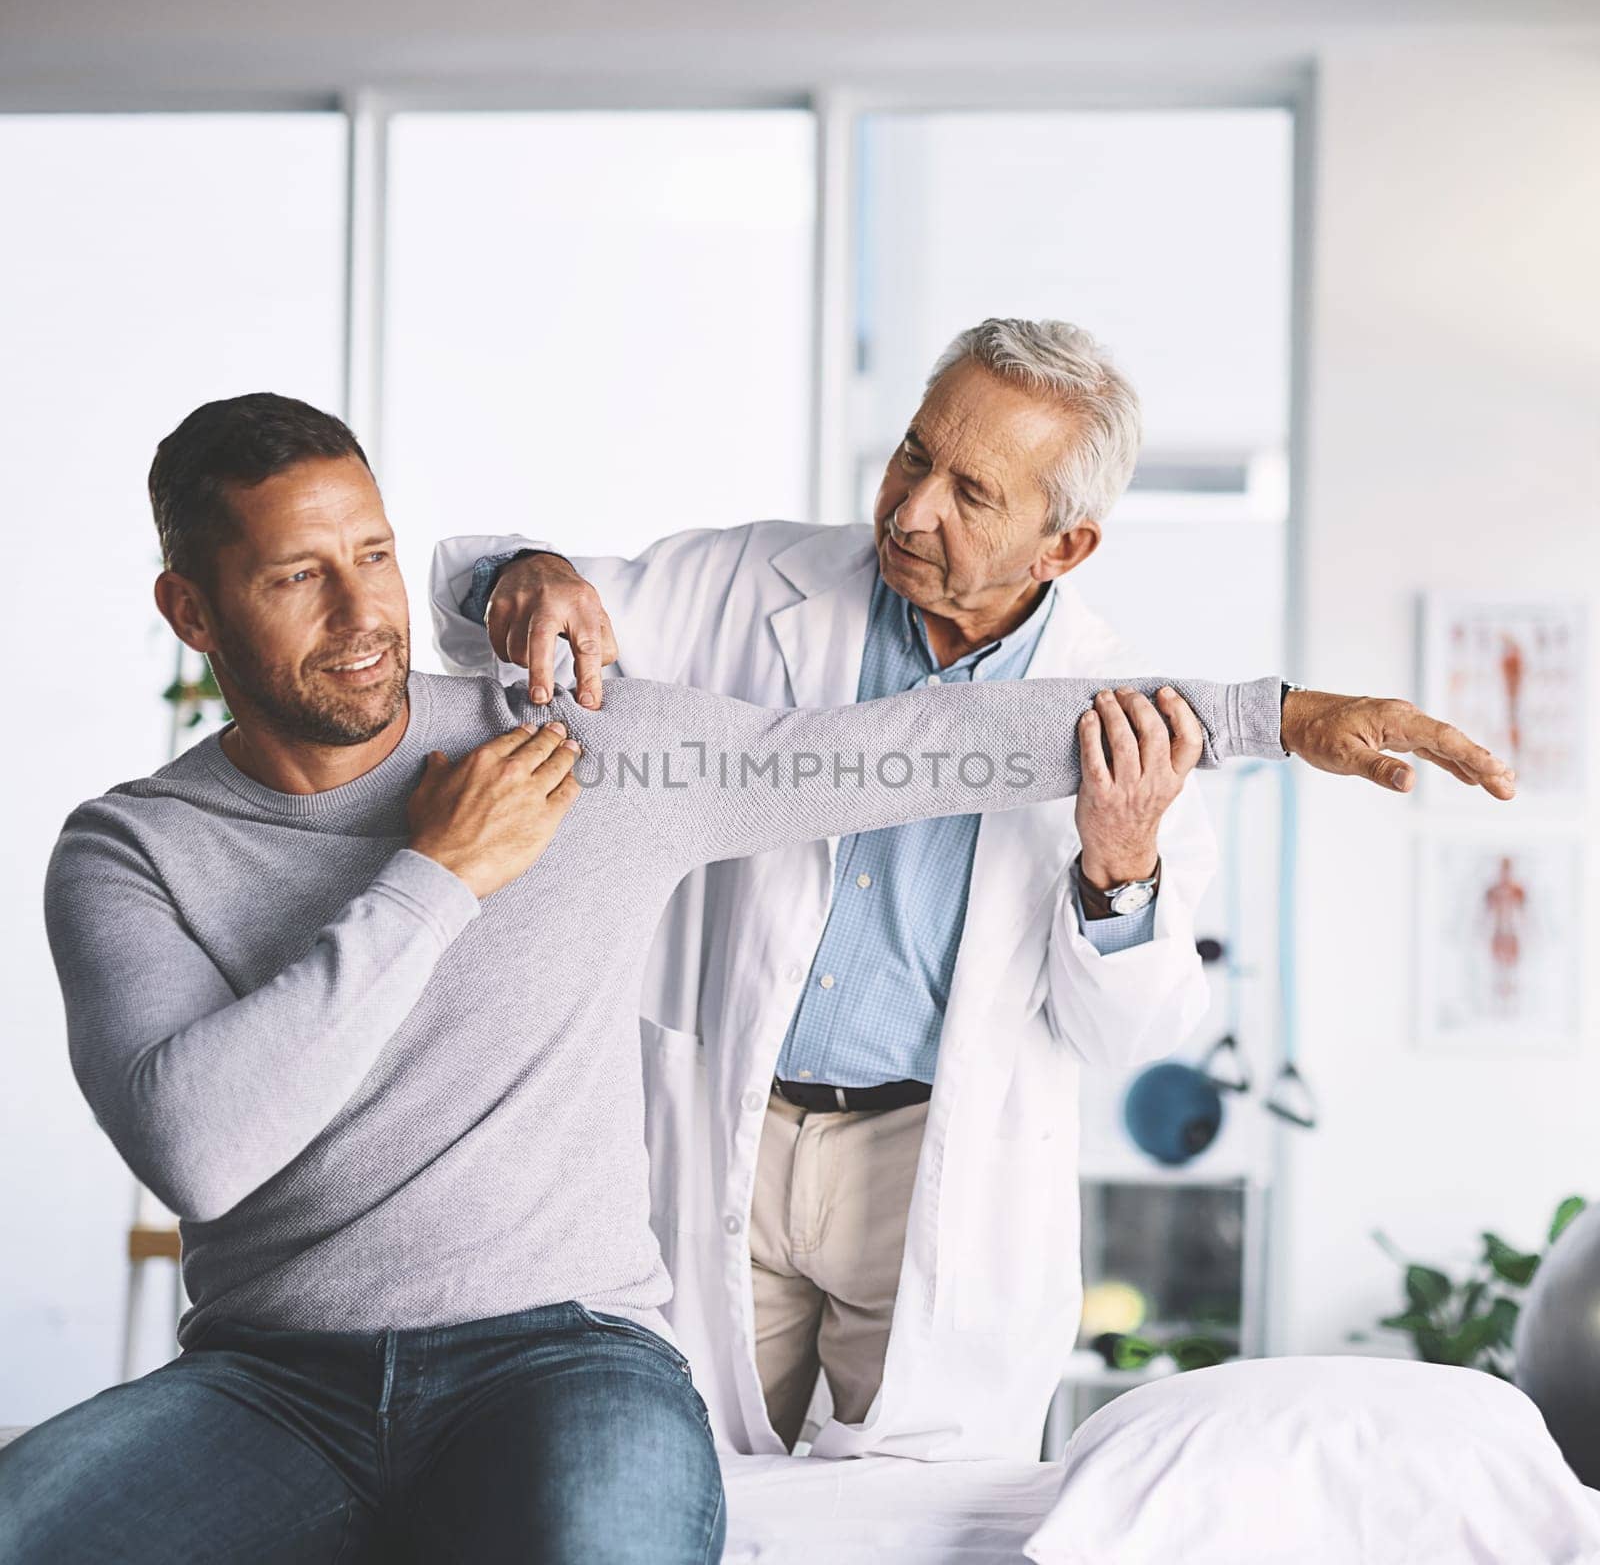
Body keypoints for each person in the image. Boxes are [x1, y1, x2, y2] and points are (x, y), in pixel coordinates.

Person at [0, 396, 1507, 1565]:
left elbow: (895, 748)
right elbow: (199, 1143)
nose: (366, 614)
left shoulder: (572, 740)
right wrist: (435, 878)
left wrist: (1279, 714)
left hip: (558, 1351)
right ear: (191, 613)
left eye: (379, 555)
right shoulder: (130, 851)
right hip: (273, 1381)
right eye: (297, 578)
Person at [431, 317, 1516, 1458]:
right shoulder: (751, 584)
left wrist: (1121, 863)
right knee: (671, 1465)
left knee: (902, 1516)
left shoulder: (1116, 711)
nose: (908, 510)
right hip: (724, 1128)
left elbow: (1127, 1029)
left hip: (928, 1163)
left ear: (1064, 546)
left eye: (969, 492)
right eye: (912, 455)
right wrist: (525, 573)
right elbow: (502, 616)